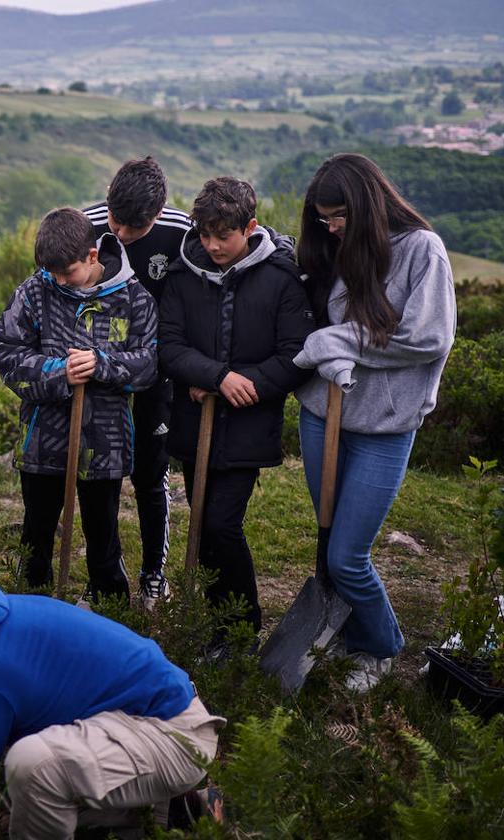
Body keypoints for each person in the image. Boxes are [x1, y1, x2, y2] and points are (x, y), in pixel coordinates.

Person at [0, 578, 226, 838]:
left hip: (174, 738)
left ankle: (156, 802)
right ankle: (175, 812)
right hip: (145, 719)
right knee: (36, 798)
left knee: (36, 766)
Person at [293, 153, 456, 692]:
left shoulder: (420, 250)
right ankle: (341, 632)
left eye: (338, 216)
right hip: (324, 413)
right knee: (326, 538)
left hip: (385, 426)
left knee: (348, 555)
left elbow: (429, 336)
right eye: (324, 219)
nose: (331, 227)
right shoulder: (335, 248)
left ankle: (381, 646)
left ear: (366, 204)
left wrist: (343, 342)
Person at [159, 177, 314, 647]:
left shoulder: (282, 278)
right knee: (203, 521)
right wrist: (212, 375)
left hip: (249, 426)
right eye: (204, 235)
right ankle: (217, 621)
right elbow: (168, 344)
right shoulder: (184, 274)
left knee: (222, 524)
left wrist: (237, 385)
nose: (212, 246)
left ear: (249, 227)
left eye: (222, 236)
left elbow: (296, 354)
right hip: (194, 427)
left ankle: (241, 627)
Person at [0, 208, 158, 603]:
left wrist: (102, 364)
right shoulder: (34, 292)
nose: (59, 280)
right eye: (51, 272)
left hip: (105, 440)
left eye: (67, 271)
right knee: (37, 525)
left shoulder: (133, 298)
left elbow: (149, 364)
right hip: (43, 438)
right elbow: (7, 353)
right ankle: (31, 599)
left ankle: (110, 601)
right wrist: (57, 371)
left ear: (92, 256)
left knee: (102, 527)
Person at [84, 157, 190, 608]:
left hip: (157, 373)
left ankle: (154, 575)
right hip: (99, 371)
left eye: (135, 227)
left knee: (151, 474)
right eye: (116, 221)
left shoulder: (182, 233)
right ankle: (104, 577)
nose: (121, 234)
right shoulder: (85, 227)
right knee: (100, 476)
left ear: (159, 211)